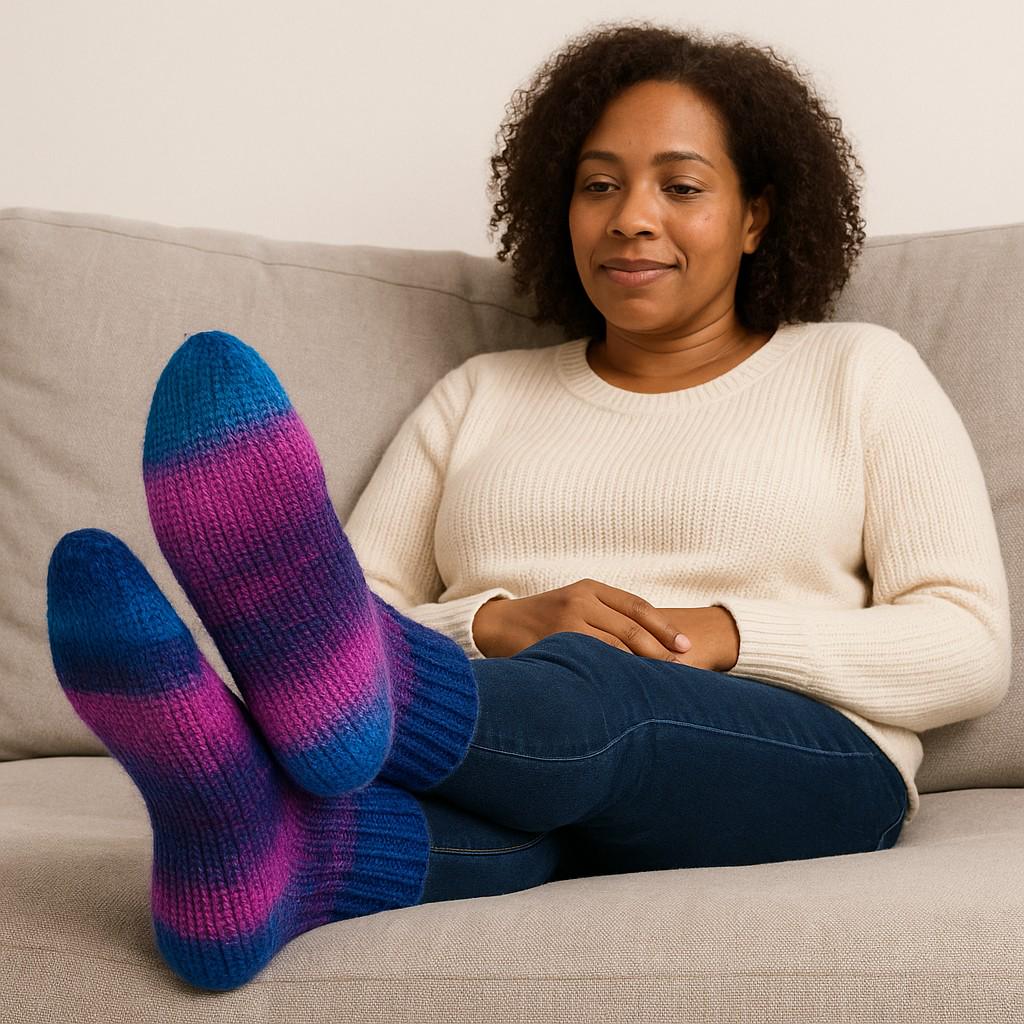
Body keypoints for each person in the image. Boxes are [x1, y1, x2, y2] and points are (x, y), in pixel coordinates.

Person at [44, 20, 1011, 994]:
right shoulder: (480, 394)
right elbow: (336, 615)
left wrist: (723, 633)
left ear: (755, 216)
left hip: (808, 763)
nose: (630, 218)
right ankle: (261, 861)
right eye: (599, 185)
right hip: (535, 770)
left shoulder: (859, 371)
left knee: (597, 697)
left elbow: (969, 644)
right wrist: (494, 623)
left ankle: (402, 695)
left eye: (680, 187)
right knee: (503, 804)